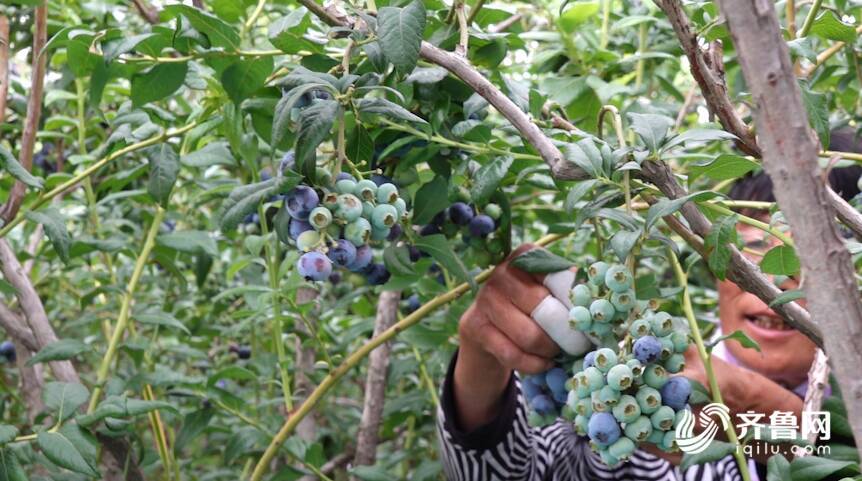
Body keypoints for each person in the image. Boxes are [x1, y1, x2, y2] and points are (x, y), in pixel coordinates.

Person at [436, 132, 862, 481]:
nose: (773, 279)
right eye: (753, 250)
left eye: (806, 259)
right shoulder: (632, 387)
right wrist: (481, 363)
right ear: (716, 261)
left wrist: (770, 419)